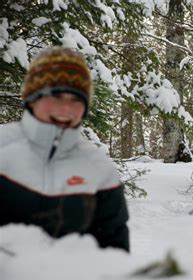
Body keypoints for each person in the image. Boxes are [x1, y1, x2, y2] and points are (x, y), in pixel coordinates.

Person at [0, 47, 130, 252]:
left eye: (76, 99)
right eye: (56, 95)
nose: (66, 108)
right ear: (32, 98)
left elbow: (114, 251)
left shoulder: (99, 169)